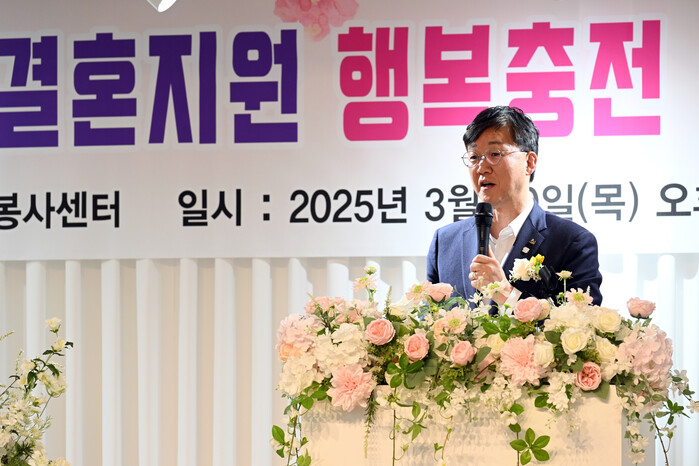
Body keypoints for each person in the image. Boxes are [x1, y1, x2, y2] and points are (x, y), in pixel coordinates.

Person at [426, 106, 603, 307]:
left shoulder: (572, 242)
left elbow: (583, 321)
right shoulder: (445, 242)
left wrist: (506, 294)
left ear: (529, 162)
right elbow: (429, 318)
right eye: (474, 157)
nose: (482, 168)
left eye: (494, 154)